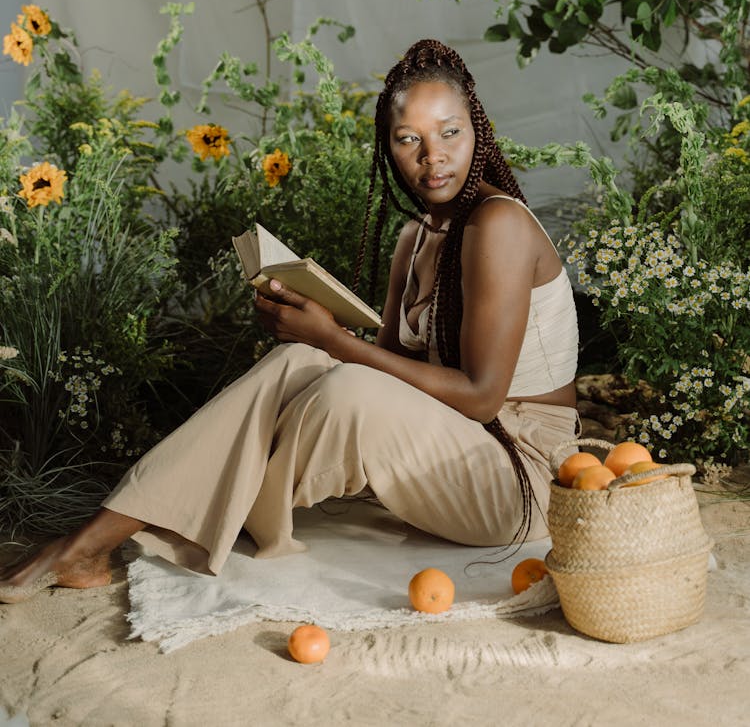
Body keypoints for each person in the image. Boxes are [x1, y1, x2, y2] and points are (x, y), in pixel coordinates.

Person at [0, 38, 579, 602]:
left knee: (342, 379)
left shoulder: (497, 224)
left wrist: (334, 341)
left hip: (521, 474)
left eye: (450, 131)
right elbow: (394, 370)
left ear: (477, 127)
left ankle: (166, 516)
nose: (434, 156)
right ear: (389, 148)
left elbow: (479, 399)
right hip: (457, 445)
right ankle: (92, 542)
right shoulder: (416, 236)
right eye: (410, 140)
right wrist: (321, 333)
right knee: (300, 360)